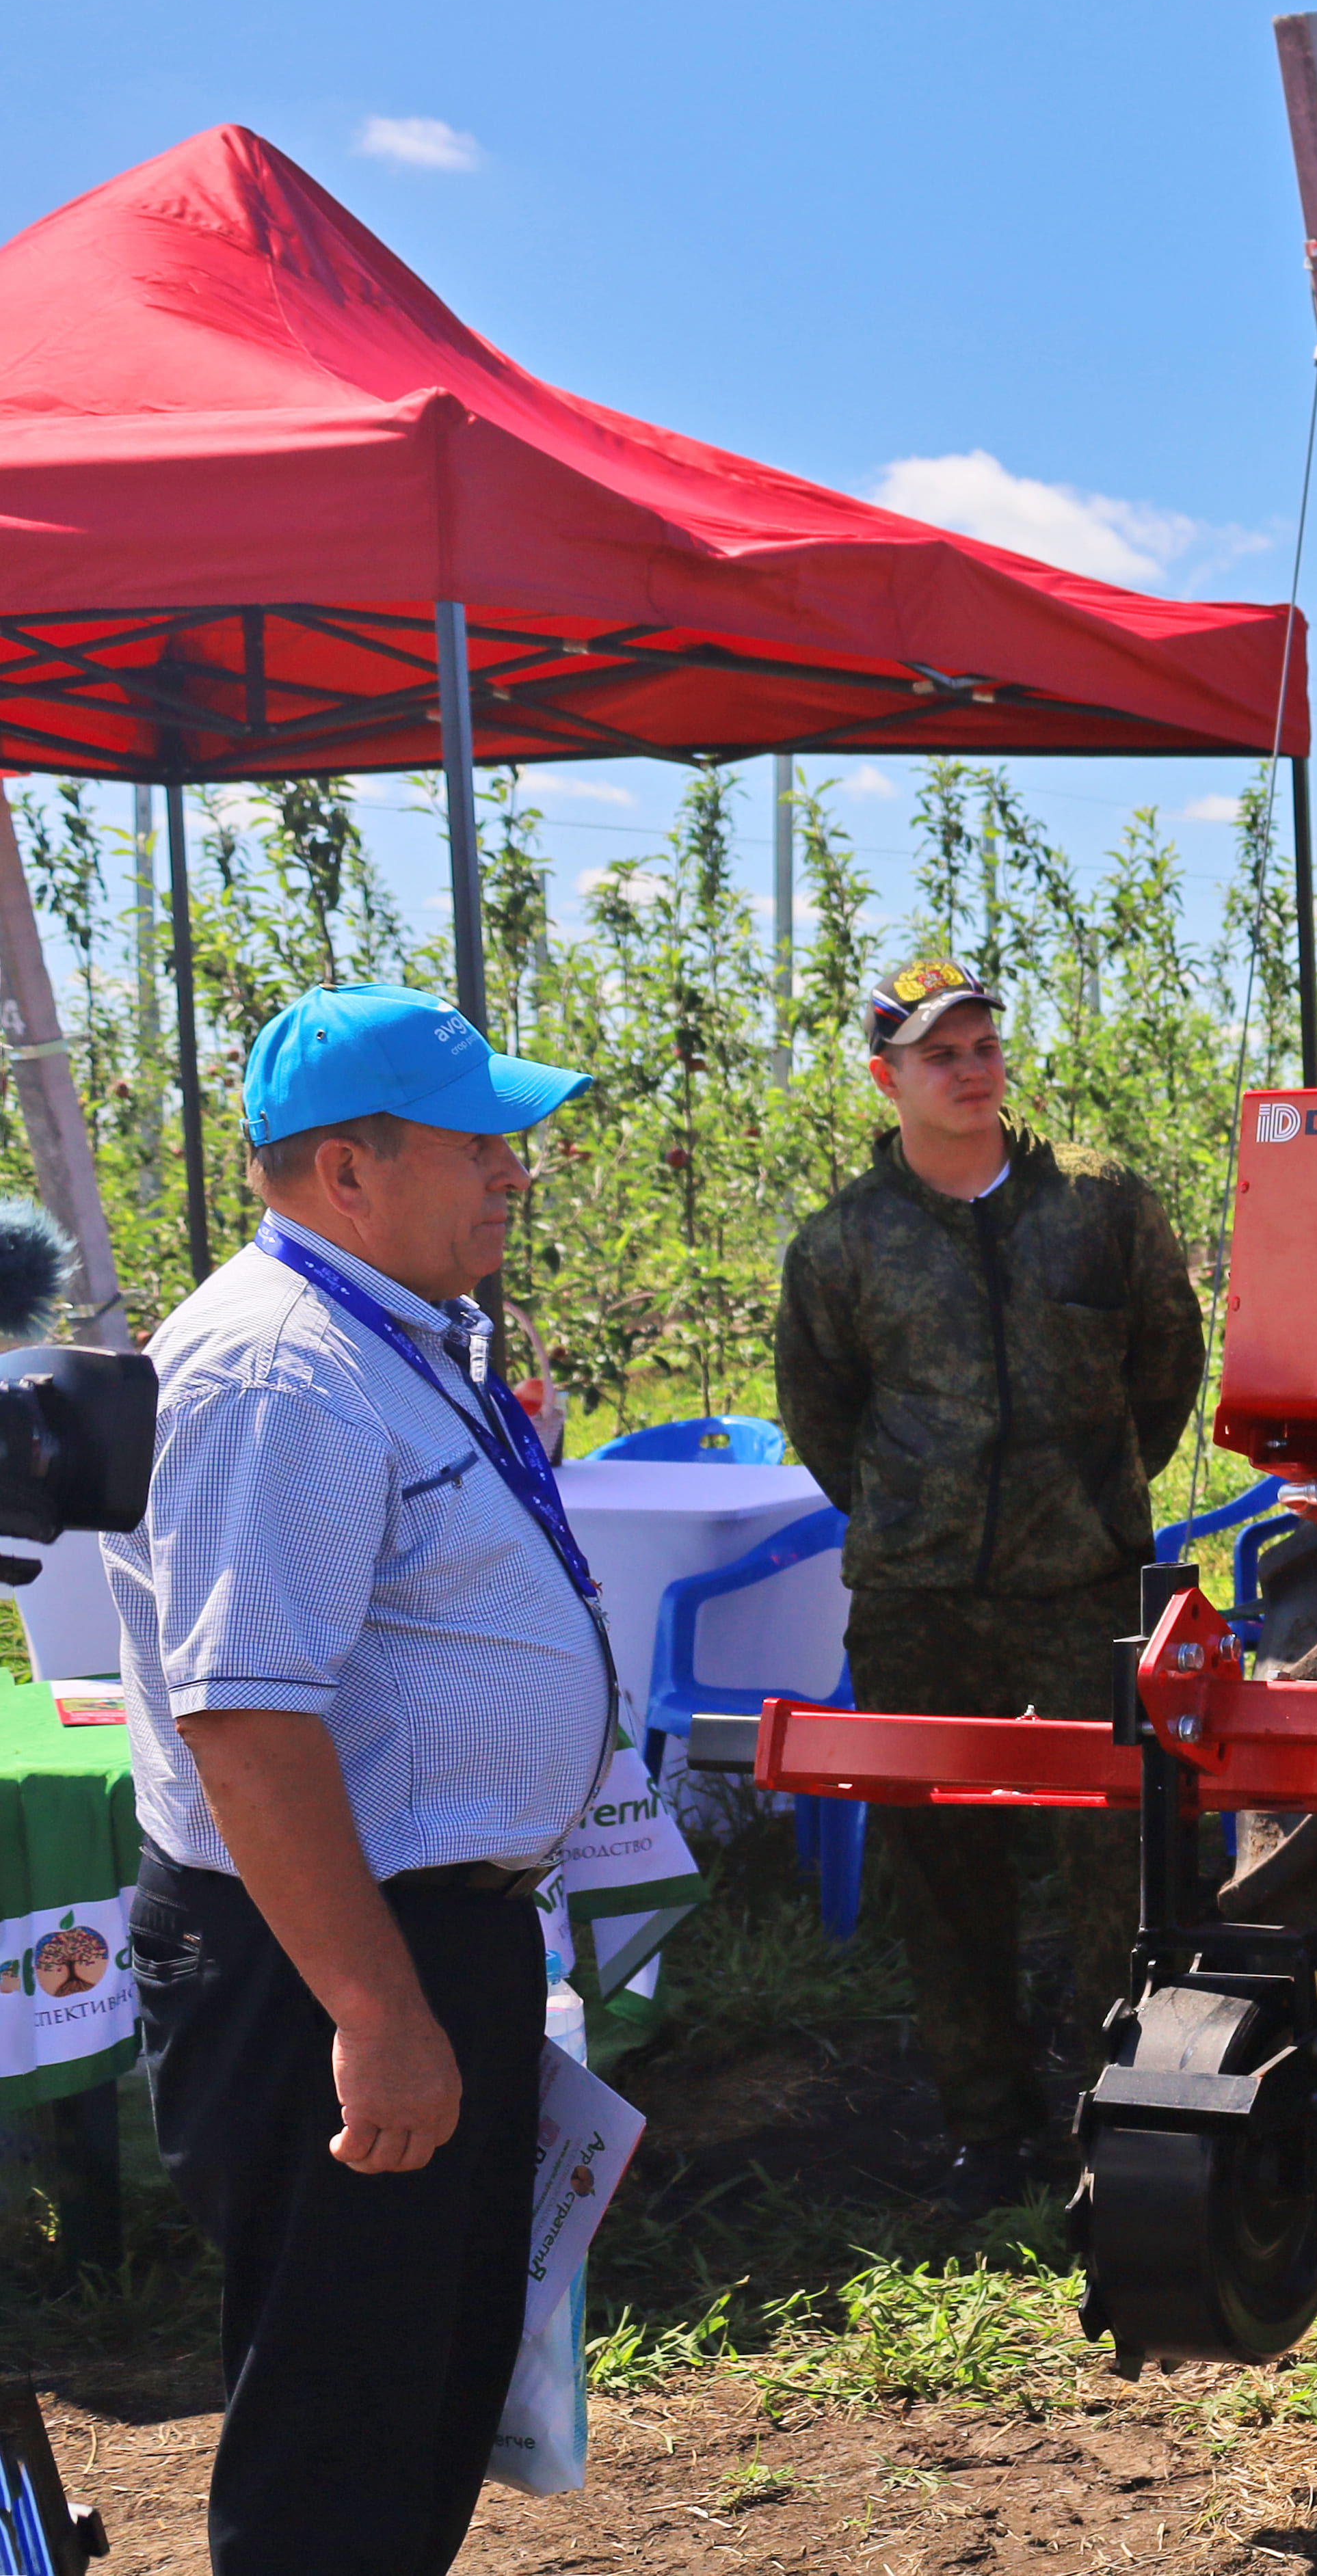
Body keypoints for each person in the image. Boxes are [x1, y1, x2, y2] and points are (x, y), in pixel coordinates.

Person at [112, 984, 608, 2576]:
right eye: (481, 1146)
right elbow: (247, 1723)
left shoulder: (371, 1335)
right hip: (325, 1954)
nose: (512, 1174)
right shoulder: (277, 1371)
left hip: (398, 1937)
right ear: (347, 1172)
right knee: (343, 2422)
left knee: (415, 2398)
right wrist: (379, 2013)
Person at [775, 957, 1206, 2214]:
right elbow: (822, 1413)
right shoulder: (844, 1242)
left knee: (1114, 1866)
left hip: (1084, 1588)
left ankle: (1114, 2111)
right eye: (938, 1054)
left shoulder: (1098, 1205)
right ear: (886, 1078)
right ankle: (985, 2129)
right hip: (918, 1602)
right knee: (942, 1865)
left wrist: (1086, 1499)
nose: (970, 1070)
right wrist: (924, 1517)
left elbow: (1165, 1363)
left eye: (982, 1045)